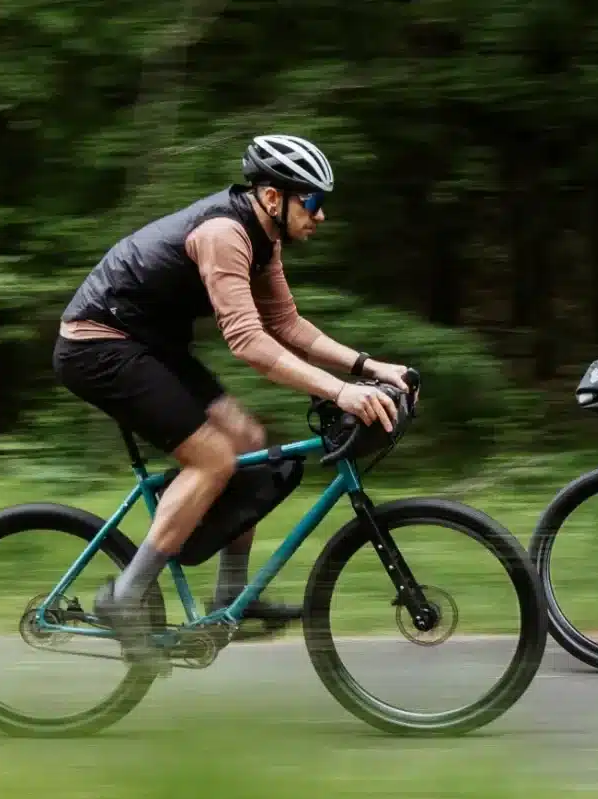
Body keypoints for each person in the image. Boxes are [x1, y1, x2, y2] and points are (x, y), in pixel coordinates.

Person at [52, 133, 411, 667]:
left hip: (148, 344)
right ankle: (125, 596)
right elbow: (247, 341)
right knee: (213, 457)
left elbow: (286, 324)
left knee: (247, 439)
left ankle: (230, 599)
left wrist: (368, 366)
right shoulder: (225, 233)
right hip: (98, 345)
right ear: (273, 197)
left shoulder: (264, 241)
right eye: (311, 201)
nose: (321, 214)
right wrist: (339, 391)